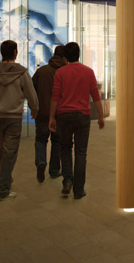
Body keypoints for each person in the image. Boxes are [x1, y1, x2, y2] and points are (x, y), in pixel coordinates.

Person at [0, 40, 39, 201]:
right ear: (15, 52)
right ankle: (2, 190)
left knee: (3, 151)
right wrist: (35, 109)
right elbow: (31, 93)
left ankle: (6, 178)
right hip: (14, 117)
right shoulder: (21, 72)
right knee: (9, 153)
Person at [49, 42, 104, 200]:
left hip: (63, 116)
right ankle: (79, 190)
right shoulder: (88, 72)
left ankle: (67, 181)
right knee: (80, 153)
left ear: (65, 57)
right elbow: (95, 96)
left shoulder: (60, 73)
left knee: (65, 148)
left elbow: (55, 97)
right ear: (79, 54)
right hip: (82, 116)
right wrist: (100, 116)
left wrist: (52, 117)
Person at [32, 45, 66, 183]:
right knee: (57, 142)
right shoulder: (65, 72)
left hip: (42, 112)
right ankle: (54, 170)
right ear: (64, 57)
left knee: (41, 140)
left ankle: (41, 162)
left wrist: (34, 107)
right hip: (59, 113)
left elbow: (32, 89)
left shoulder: (42, 71)